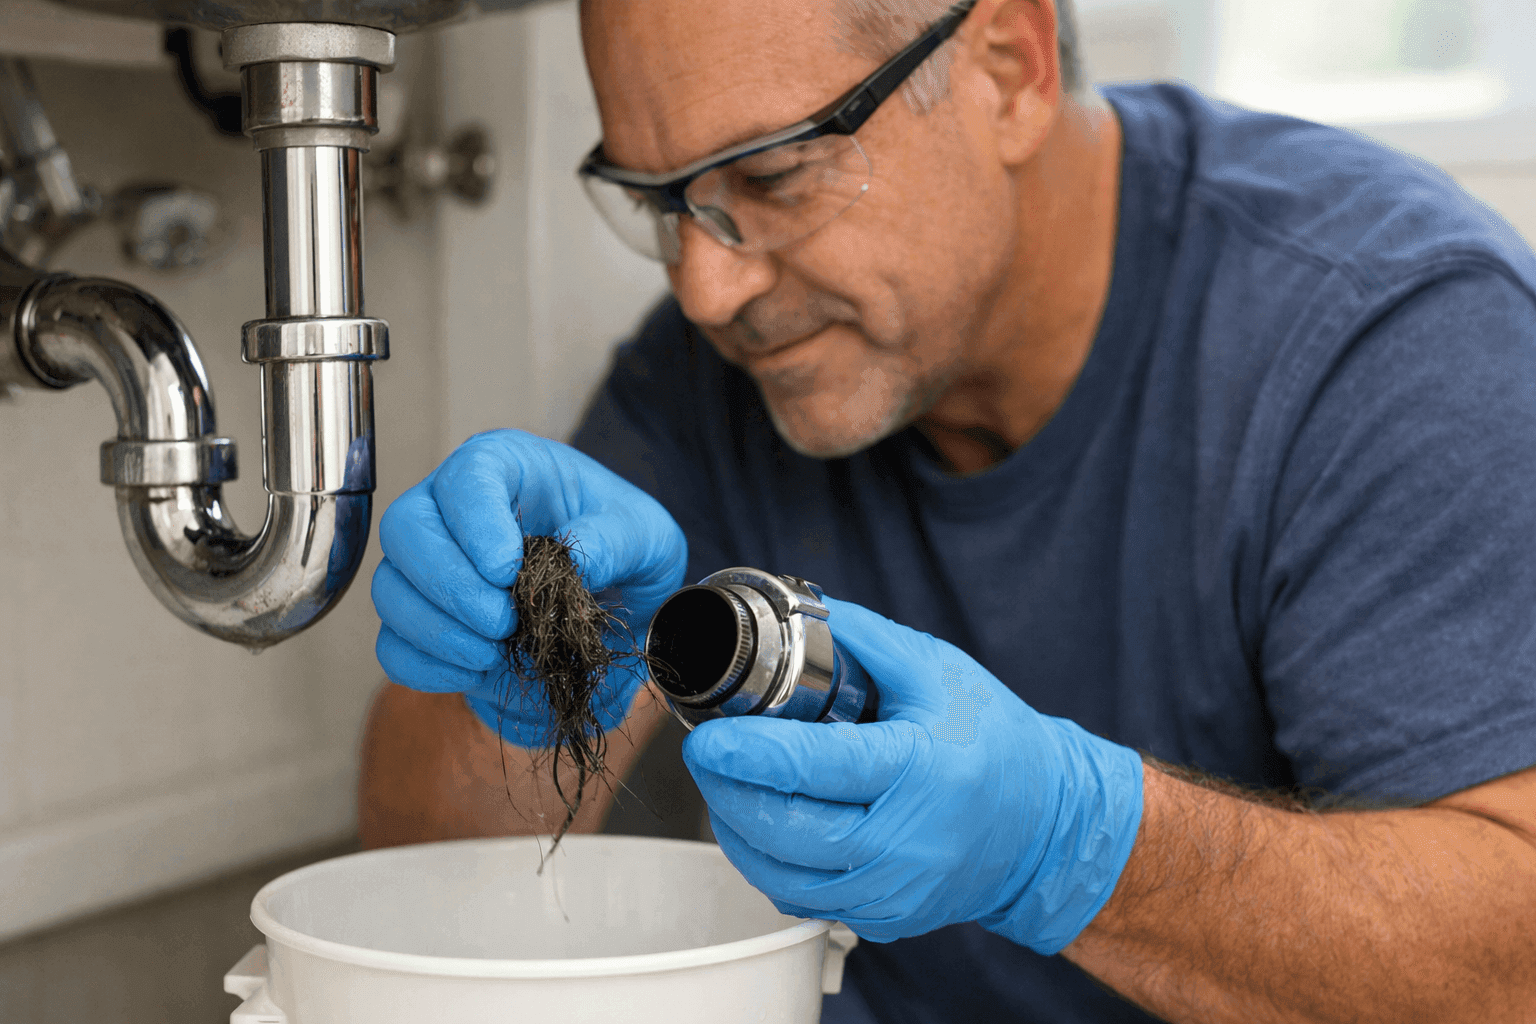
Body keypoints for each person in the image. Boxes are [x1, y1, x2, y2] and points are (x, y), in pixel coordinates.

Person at [362, 0, 1536, 1020]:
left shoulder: (1394, 344)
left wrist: (1075, 845)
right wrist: (537, 655)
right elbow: (416, 874)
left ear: (1009, 70)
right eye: (663, 200)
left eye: (774, 177)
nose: (707, 287)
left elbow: (1514, 969)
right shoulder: (722, 364)